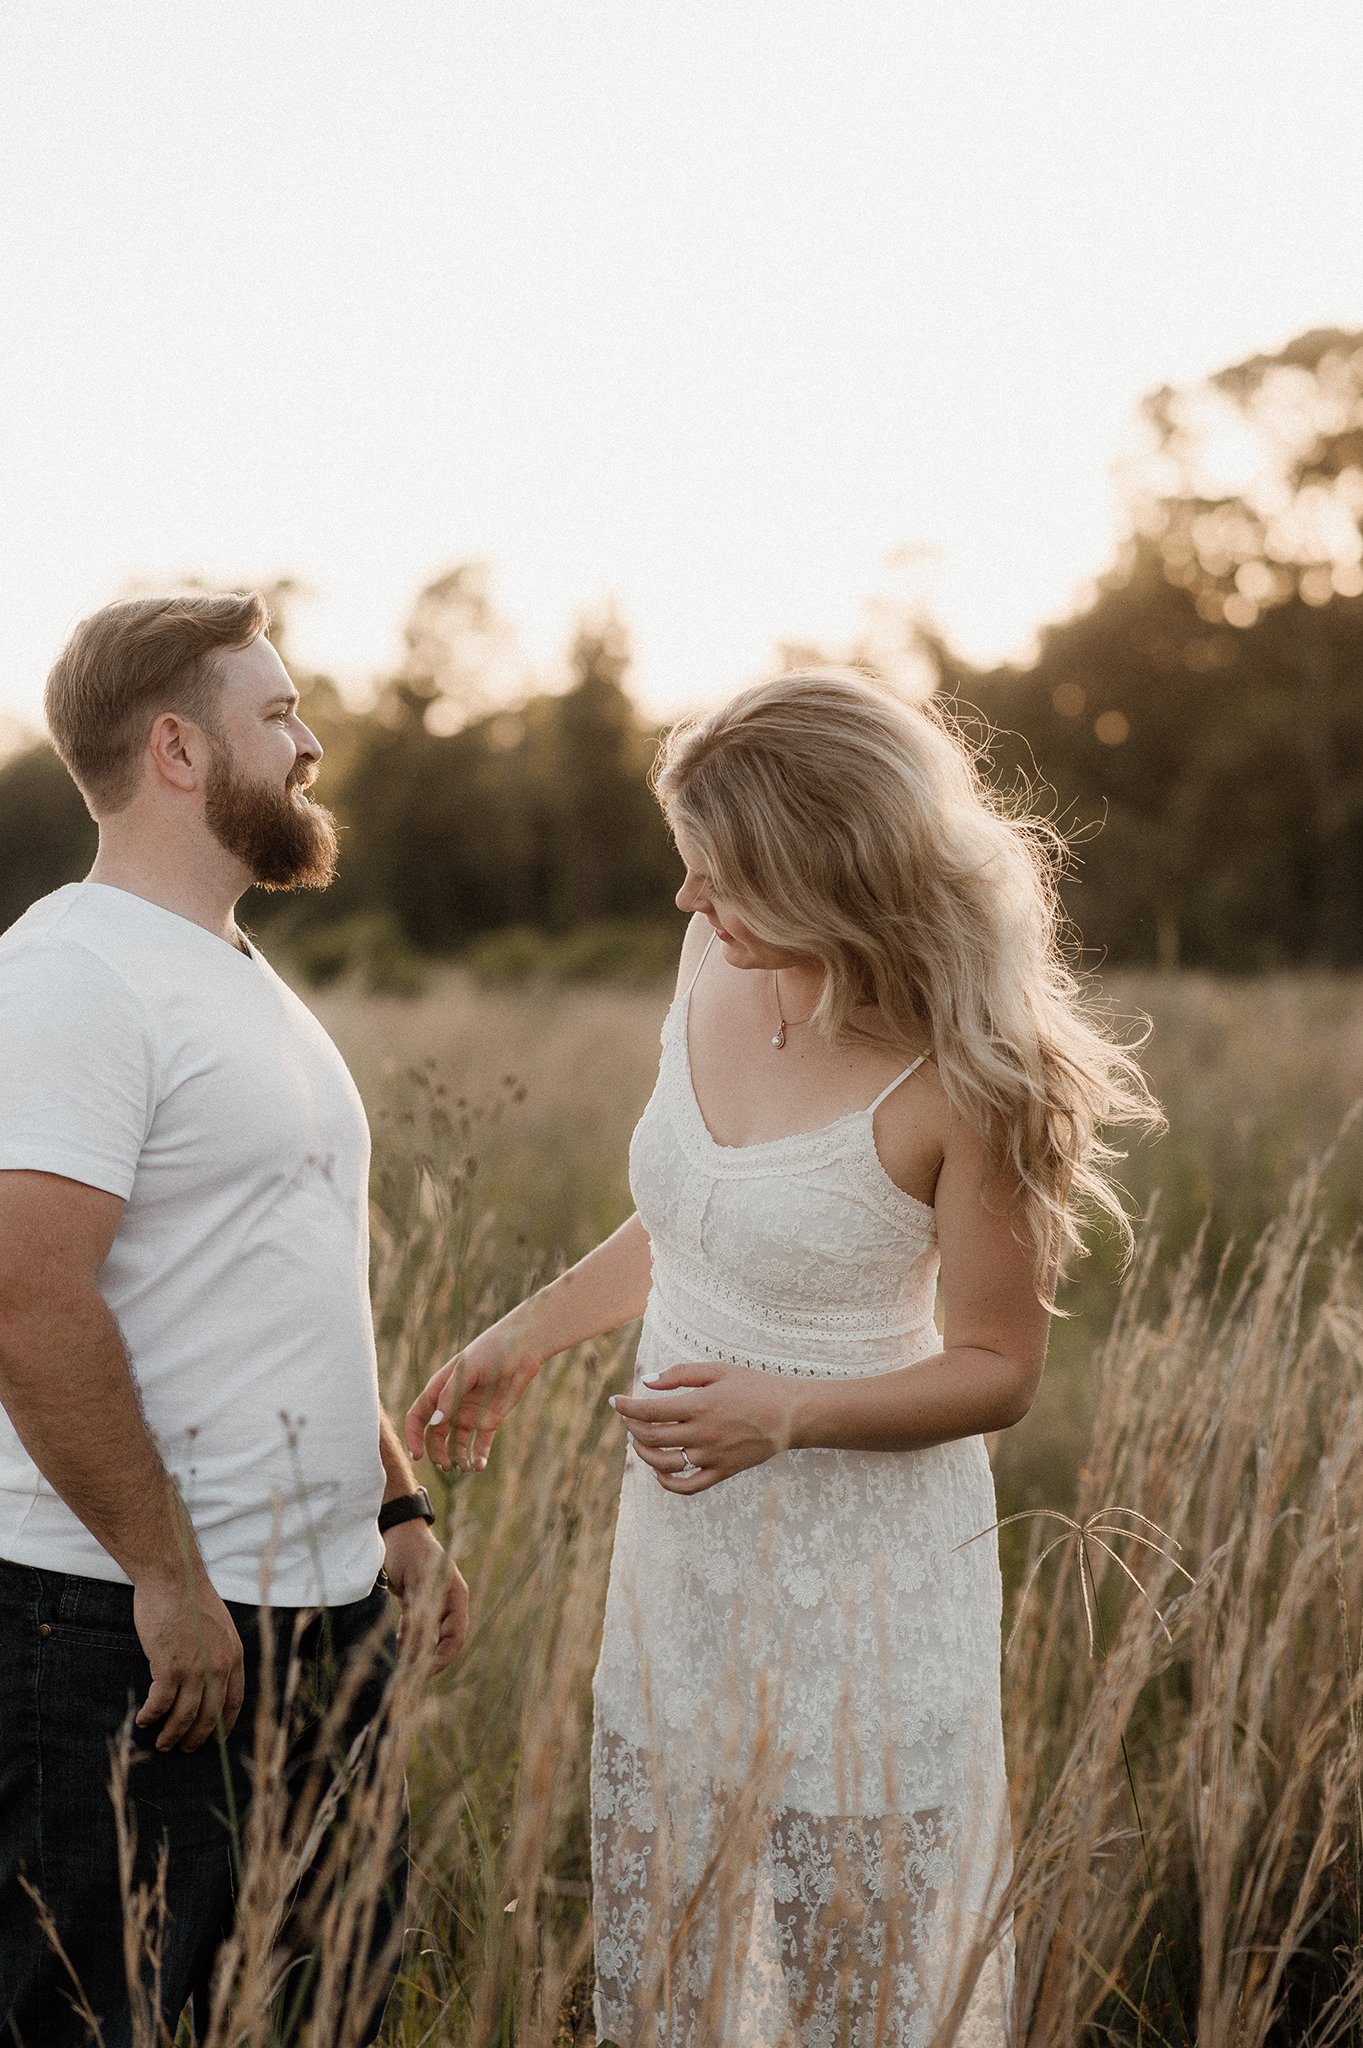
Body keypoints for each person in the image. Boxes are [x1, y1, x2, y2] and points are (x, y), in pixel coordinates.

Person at [407, 667, 1158, 2045]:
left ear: (829, 876)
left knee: (855, 1989)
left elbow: (1000, 1369)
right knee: (682, 1954)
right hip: (681, 1565)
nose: (688, 903)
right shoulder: (714, 959)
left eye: (718, 875)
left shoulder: (972, 1074)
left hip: (868, 1583)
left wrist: (787, 1415)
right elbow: (702, 1211)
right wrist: (528, 1333)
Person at [0, 592, 468, 2048]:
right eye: (279, 714)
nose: (312, 741)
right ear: (178, 750)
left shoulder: (238, 973)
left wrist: (395, 1505)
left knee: (329, 2017)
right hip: (118, 1639)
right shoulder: (72, 975)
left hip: (325, 1624)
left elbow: (288, 1278)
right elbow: (27, 1295)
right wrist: (163, 1577)